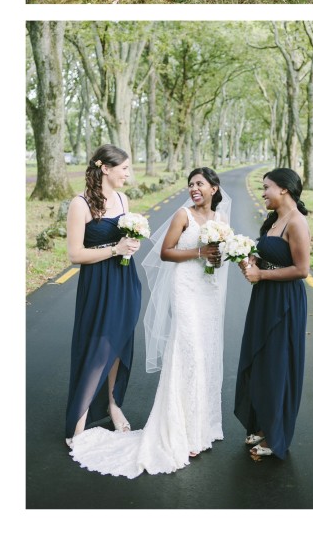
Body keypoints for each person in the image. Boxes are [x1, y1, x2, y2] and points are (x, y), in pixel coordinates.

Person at [70, 168, 231, 476]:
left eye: (200, 184)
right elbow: (166, 252)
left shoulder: (221, 222)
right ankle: (177, 430)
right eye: (191, 184)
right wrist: (199, 251)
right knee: (189, 353)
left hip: (207, 291)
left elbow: (218, 257)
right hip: (185, 288)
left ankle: (200, 428)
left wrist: (216, 258)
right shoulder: (183, 215)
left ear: (214, 188)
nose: (194, 188)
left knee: (206, 355)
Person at [65, 145, 142, 445]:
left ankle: (113, 406)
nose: (127, 173)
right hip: (97, 283)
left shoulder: (124, 199)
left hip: (124, 280)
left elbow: (125, 240)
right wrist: (115, 249)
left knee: (118, 345)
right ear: (105, 168)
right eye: (124, 167)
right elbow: (74, 254)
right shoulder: (80, 204)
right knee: (94, 345)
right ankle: (80, 416)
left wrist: (130, 245)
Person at [234, 169, 310, 459]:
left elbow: (302, 270)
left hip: (285, 301)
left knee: (277, 365)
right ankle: (263, 426)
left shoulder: (297, 222)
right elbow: (267, 257)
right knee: (260, 360)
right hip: (264, 298)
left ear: (284, 190)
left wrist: (262, 275)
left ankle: (276, 434)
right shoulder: (274, 220)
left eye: (266, 187)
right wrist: (249, 261)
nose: (263, 192)